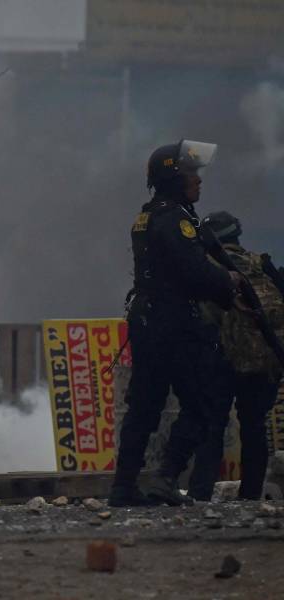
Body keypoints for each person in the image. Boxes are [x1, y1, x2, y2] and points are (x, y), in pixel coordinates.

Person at [109, 140, 241, 507]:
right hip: (174, 323)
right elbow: (194, 273)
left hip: (151, 321)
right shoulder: (176, 220)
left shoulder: (148, 215)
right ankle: (166, 477)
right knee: (200, 403)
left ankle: (123, 487)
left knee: (145, 406)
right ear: (172, 179)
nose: (198, 181)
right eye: (190, 174)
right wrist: (227, 283)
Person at [188, 211, 284, 501]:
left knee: (212, 425)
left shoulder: (208, 270)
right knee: (254, 425)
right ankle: (251, 495)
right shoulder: (262, 265)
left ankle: (200, 494)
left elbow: (199, 316)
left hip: (220, 358)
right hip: (262, 358)